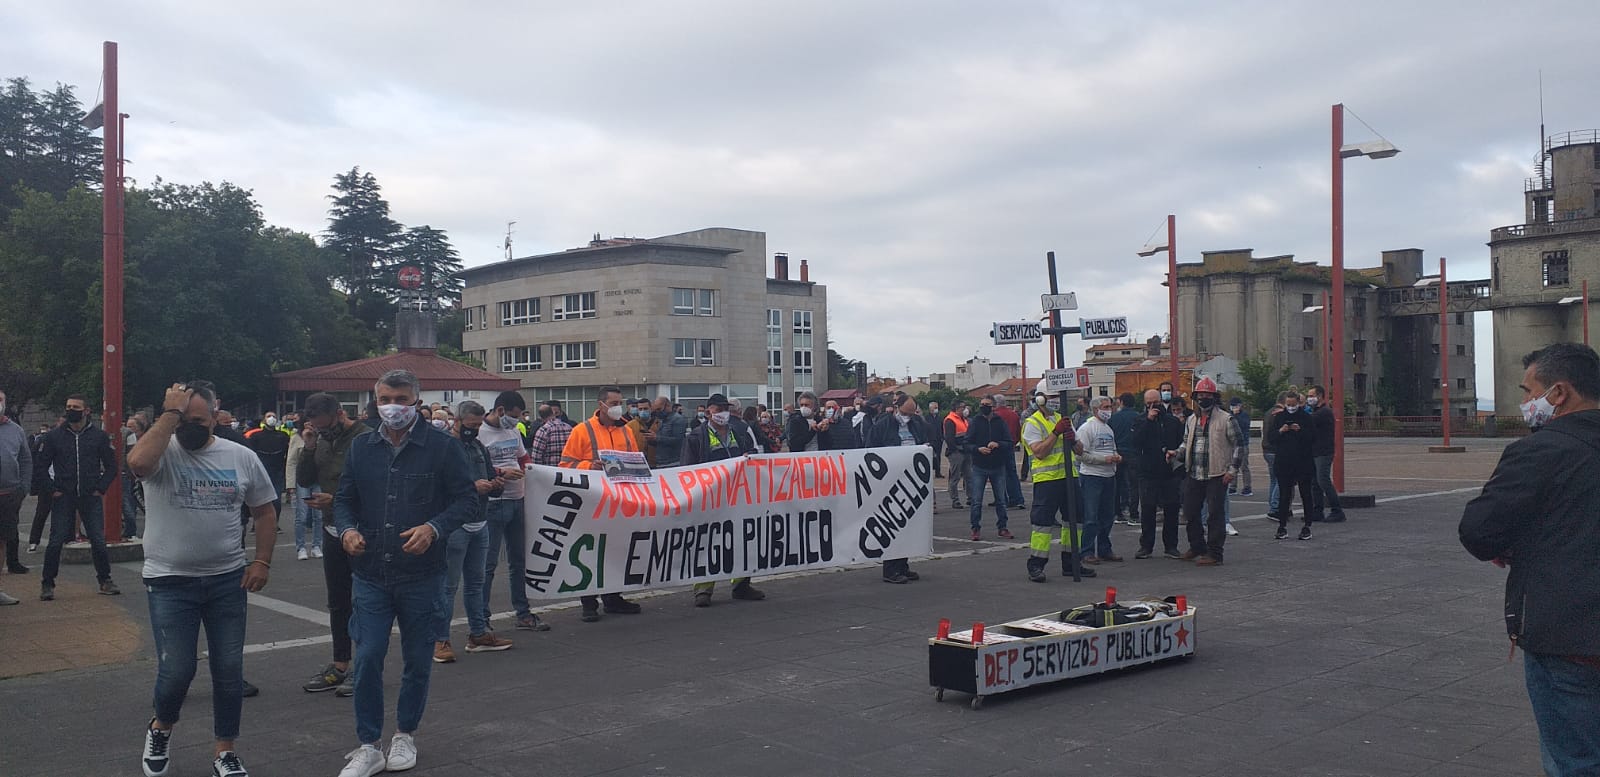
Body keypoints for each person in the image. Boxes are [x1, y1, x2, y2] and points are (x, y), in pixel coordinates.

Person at [1459, 342, 1600, 776]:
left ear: (1558, 393)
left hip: (1570, 635)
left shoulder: (1544, 449)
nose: (1525, 403)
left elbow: (1480, 530)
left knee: (1576, 760)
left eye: (1528, 391)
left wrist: (1513, 545)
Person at [334, 369, 477, 777]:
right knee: (368, 656)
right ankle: (368, 744)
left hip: (422, 574)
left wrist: (434, 528)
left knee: (417, 659)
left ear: (416, 401)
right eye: (384, 399)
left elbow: (467, 501)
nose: (391, 407)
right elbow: (345, 499)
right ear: (375, 401)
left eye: (399, 398)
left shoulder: (442, 447)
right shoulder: (362, 446)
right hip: (371, 572)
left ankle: (405, 734)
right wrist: (346, 529)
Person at [129, 383, 276, 777]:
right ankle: (161, 727)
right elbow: (138, 464)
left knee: (228, 670)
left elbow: (264, 510)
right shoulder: (163, 451)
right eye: (181, 419)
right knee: (177, 669)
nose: (188, 428)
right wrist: (169, 415)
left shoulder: (240, 456)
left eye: (197, 420)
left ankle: (225, 750)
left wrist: (261, 561)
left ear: (215, 415)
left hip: (227, 580)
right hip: (169, 581)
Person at [295, 393, 370, 697]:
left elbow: (375, 488)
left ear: (340, 413)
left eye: (324, 426)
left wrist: (335, 500)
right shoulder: (321, 439)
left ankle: (364, 667)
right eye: (315, 427)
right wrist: (310, 446)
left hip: (361, 529)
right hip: (331, 527)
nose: (321, 431)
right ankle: (340, 664)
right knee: (337, 600)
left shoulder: (364, 439)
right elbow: (305, 478)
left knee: (364, 601)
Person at [557, 385, 646, 622]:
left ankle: (613, 597)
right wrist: (590, 466)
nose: (619, 407)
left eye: (620, 402)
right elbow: (565, 465)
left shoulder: (626, 431)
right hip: (592, 502)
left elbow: (637, 462)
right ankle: (588, 602)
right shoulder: (581, 431)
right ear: (601, 405)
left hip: (619, 501)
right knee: (590, 550)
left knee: (616, 550)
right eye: (614, 403)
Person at [433, 401, 513, 664]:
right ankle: (440, 639)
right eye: (471, 425)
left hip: (480, 520)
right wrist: (471, 487)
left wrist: (496, 484)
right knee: (448, 586)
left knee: (476, 583)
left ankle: (478, 633)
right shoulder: (443, 446)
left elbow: (489, 475)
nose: (475, 430)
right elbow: (435, 487)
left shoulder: (477, 446)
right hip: (455, 525)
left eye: (478, 425)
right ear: (457, 420)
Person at [681, 393, 770, 604]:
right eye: (718, 409)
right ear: (708, 411)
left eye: (725, 409)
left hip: (736, 497)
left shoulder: (737, 433)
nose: (722, 413)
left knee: (741, 538)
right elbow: (687, 470)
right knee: (707, 540)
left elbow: (750, 454)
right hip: (709, 498)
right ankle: (703, 589)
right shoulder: (696, 437)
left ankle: (741, 584)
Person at [35, 395, 120, 600]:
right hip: (63, 495)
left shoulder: (99, 437)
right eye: (68, 406)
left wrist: (100, 488)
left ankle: (105, 580)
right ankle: (47, 584)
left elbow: (111, 467)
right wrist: (52, 489)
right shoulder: (54, 437)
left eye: (75, 407)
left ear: (86, 411)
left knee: (98, 541)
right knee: (55, 541)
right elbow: (40, 466)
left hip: (90, 496)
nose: (71, 410)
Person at [479, 390, 548, 633]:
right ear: (500, 411)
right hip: (493, 504)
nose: (517, 421)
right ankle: (481, 619)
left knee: (519, 561)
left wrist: (533, 471)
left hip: (517, 500)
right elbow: (475, 467)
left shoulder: (513, 431)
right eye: (513, 416)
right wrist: (500, 474)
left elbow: (523, 458)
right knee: (487, 565)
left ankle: (523, 612)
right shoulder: (480, 433)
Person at [1170, 377, 1244, 566]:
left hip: (1217, 474)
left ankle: (1215, 553)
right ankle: (1197, 547)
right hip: (1194, 472)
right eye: (1201, 395)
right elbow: (1186, 444)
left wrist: (1232, 470)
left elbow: (1238, 445)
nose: (1204, 398)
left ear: (1214, 397)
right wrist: (1176, 453)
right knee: (1190, 512)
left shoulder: (1226, 419)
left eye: (1207, 395)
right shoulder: (1192, 419)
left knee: (1215, 515)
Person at [1022, 391, 1094, 581]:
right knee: (1042, 524)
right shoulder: (1032, 423)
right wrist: (1056, 432)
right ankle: (1036, 565)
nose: (1055, 401)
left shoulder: (1063, 420)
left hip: (1069, 477)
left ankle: (1071, 563)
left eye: (1057, 397)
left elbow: (1079, 450)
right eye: (1051, 397)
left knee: (1075, 521)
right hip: (1047, 479)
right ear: (1040, 399)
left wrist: (1071, 436)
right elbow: (1039, 452)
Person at [866, 394, 930, 583]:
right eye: (905, 413)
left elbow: (926, 439)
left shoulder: (916, 424)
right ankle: (890, 569)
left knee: (907, 525)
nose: (908, 417)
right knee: (893, 524)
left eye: (912, 413)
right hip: (890, 480)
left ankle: (903, 564)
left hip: (911, 479)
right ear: (896, 408)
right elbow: (871, 449)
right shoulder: (883, 425)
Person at [1130, 389, 1184, 559]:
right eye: (1149, 404)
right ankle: (1146, 546)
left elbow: (1181, 442)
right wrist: (1148, 420)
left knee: (1172, 509)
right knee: (1147, 510)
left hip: (1168, 472)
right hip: (1148, 472)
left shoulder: (1172, 421)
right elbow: (1136, 442)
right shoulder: (1139, 420)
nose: (1154, 407)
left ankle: (1171, 546)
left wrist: (1174, 453)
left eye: (1157, 403)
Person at [1074, 396, 1123, 565]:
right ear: (1096, 410)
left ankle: (1104, 549)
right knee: (1091, 517)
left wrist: (1116, 457)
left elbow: (1112, 448)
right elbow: (1081, 455)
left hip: (1109, 476)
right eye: (1105, 407)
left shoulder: (1108, 429)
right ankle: (1086, 551)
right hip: (1092, 477)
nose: (1109, 410)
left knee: (1107, 516)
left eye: (1110, 406)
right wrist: (1104, 460)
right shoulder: (1087, 428)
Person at [1265, 391, 1317, 541]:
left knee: (1305, 494)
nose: (1291, 407)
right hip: (1284, 462)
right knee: (1284, 495)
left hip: (1303, 462)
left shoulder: (1306, 418)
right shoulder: (1279, 417)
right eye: (1288, 405)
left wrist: (1299, 430)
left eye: (1293, 404)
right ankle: (1282, 526)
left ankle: (1307, 525)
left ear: (1299, 403)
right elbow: (1271, 438)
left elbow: (1313, 437)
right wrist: (1281, 430)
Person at [965, 397, 1014, 541]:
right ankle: (975, 528)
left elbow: (1009, 442)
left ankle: (1002, 527)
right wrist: (977, 449)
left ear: (993, 407)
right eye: (982, 404)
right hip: (979, 465)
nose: (984, 407)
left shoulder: (1000, 422)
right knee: (976, 501)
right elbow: (967, 443)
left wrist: (998, 444)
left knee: (1001, 500)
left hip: (997, 466)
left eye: (987, 405)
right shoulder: (975, 422)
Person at [0, 389, 31, 601]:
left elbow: (26, 459)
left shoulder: (16, 430)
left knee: (2, 540)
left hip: (8, 495)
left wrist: (24, 488)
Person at [1304, 385, 1345, 523]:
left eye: (1311, 396)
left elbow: (1307, 422)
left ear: (1320, 396)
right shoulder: (1317, 411)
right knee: (1315, 482)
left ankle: (1337, 510)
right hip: (1315, 451)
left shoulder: (1323, 412)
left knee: (1323, 480)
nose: (1310, 398)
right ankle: (1317, 511)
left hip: (1323, 452)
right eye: (1309, 396)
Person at [286, 418, 323, 561]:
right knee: (301, 515)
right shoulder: (296, 438)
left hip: (319, 479)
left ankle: (316, 546)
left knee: (319, 516)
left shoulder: (323, 437)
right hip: (302, 480)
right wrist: (290, 484)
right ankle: (301, 547)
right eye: (307, 423)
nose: (310, 425)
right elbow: (291, 461)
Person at [1108, 393, 1140, 526]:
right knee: (1134, 486)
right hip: (1134, 454)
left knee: (1117, 484)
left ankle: (1118, 513)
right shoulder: (1138, 417)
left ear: (1121, 402)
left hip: (1118, 454)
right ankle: (1133, 515)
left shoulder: (1113, 418)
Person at [991, 395, 1025, 510]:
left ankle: (1003, 499)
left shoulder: (995, 415)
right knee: (1012, 473)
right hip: (1010, 446)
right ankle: (1018, 498)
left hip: (998, 447)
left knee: (999, 474)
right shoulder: (1014, 414)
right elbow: (1018, 431)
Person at [26, 421, 54, 552]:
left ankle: (59, 540)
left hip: (60, 483)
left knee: (61, 514)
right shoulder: (43, 444)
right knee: (41, 513)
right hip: (47, 483)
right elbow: (38, 463)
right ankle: (33, 541)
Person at [121, 414, 148, 539]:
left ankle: (130, 530)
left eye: (133, 426)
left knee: (130, 502)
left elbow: (131, 456)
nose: (130, 428)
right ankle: (129, 529)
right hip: (127, 474)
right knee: (128, 502)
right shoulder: (127, 435)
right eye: (128, 425)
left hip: (132, 475)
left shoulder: (144, 439)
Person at [943, 401, 971, 510]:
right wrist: (955, 450)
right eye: (962, 407)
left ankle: (971, 498)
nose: (965, 410)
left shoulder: (963, 420)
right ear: (956, 408)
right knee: (955, 477)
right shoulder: (950, 420)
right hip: (956, 453)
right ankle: (955, 500)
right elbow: (949, 438)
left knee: (969, 476)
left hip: (965, 451)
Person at [1227, 397, 1253, 497]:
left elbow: (1244, 425)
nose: (1234, 407)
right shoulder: (1229, 415)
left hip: (1243, 444)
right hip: (1232, 444)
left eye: (1236, 405)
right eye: (1232, 405)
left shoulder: (1244, 415)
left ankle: (1247, 487)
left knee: (1244, 466)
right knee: (1233, 465)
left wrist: (1237, 415)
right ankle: (1232, 486)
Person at [923, 400, 944, 477]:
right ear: (930, 408)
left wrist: (942, 437)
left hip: (939, 440)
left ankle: (938, 472)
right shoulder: (926, 418)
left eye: (937, 407)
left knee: (938, 456)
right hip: (930, 440)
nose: (936, 409)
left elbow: (942, 428)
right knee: (930, 456)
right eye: (935, 407)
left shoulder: (939, 418)